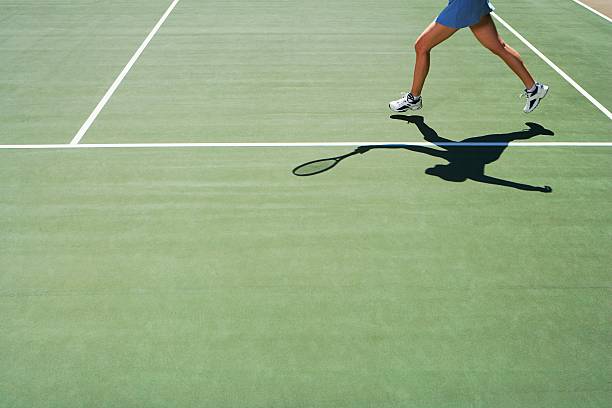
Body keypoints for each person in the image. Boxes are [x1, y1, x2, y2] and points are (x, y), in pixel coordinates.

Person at [389, 0, 548, 114]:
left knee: (421, 47)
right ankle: (534, 89)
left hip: (464, 4)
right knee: (499, 47)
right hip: (471, 3)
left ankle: (414, 99)